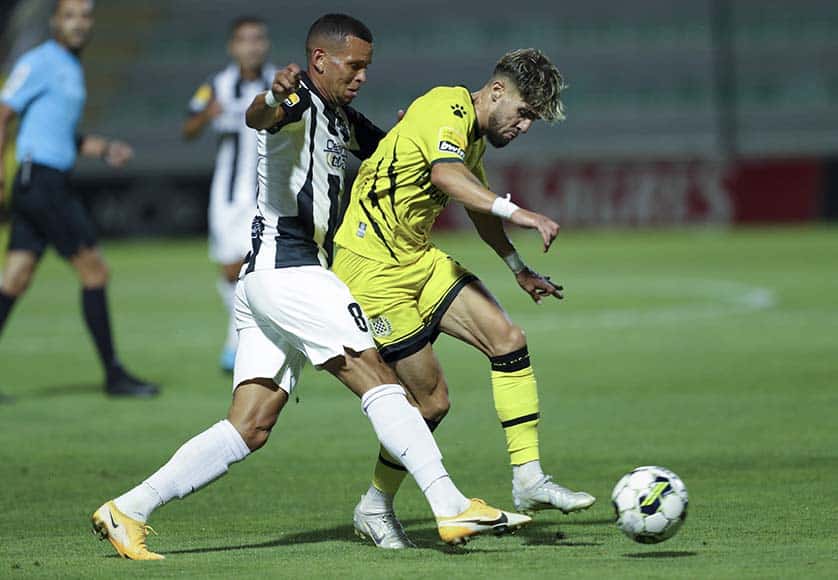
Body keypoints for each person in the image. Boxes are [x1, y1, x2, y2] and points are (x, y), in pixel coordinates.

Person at [91, 14, 529, 560]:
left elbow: (392, 149)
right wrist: (271, 97)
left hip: (268, 281)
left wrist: (410, 134)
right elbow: (262, 116)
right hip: (292, 269)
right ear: (321, 60)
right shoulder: (296, 97)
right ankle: (449, 504)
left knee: (250, 425)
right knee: (375, 373)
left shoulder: (341, 116)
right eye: (355, 65)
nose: (363, 76)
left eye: (368, 66)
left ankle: (127, 509)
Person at [332, 48, 596, 549]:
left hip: (415, 256)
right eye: (523, 112)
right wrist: (522, 213)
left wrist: (518, 269)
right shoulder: (444, 108)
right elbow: (445, 178)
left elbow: (475, 207)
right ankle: (374, 504)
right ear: (495, 92)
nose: (524, 127)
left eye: (532, 119)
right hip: (370, 269)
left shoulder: (469, 135)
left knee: (508, 337)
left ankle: (529, 478)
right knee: (431, 402)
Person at [0, 0, 158, 397]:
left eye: (85, 16)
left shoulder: (70, 67)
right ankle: (114, 375)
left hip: (44, 180)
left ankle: (114, 375)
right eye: (70, 16)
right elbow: (3, 113)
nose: (79, 23)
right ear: (54, 21)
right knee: (95, 272)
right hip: (42, 183)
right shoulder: (40, 61)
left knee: (14, 279)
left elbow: (59, 133)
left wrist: (104, 148)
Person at [182, 16, 277, 373]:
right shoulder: (217, 85)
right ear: (232, 46)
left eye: (257, 38)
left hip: (269, 190)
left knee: (260, 267)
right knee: (228, 269)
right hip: (228, 193)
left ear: (265, 44)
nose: (251, 46)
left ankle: (239, 341)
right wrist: (207, 115)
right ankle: (239, 333)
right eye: (244, 40)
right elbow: (187, 128)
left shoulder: (281, 81)